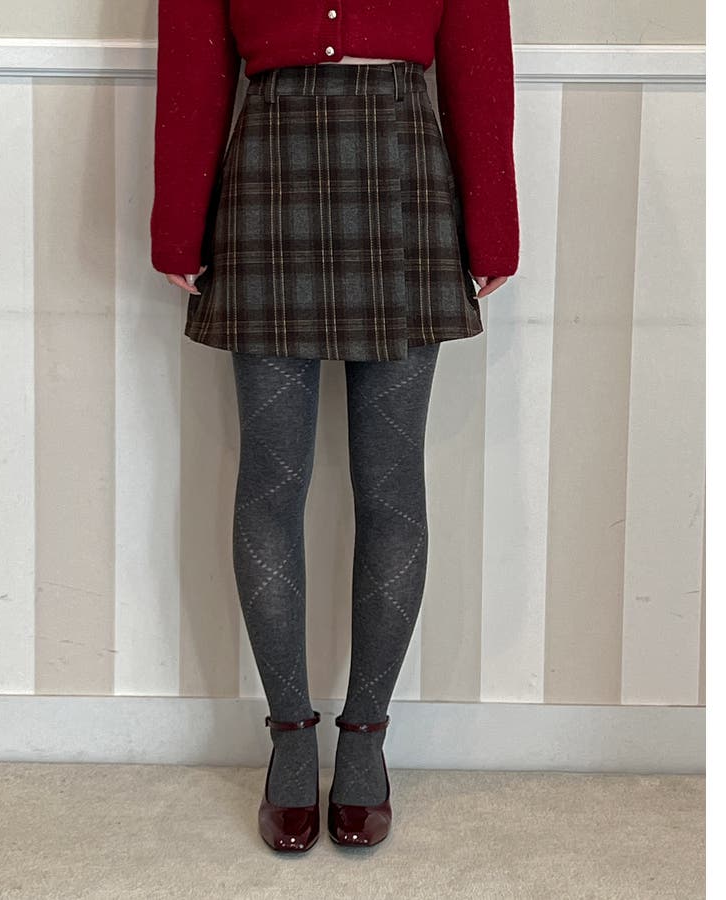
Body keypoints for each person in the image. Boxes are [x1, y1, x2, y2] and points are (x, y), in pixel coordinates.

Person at [150, 1, 519, 852]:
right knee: (270, 483)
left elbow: (478, 61)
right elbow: (194, 59)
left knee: (391, 487)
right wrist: (178, 222)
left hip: (405, 166)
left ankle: (365, 738)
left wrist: (492, 225)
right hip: (269, 165)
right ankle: (289, 737)